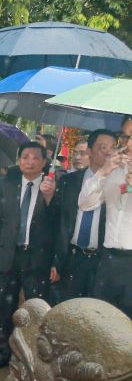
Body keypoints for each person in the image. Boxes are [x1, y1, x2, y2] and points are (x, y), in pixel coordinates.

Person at [0, 142, 57, 369]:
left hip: (37, 259)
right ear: (19, 160)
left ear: (44, 162)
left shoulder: (52, 187)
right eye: (25, 156)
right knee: (5, 308)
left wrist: (50, 197)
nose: (30, 161)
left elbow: (59, 226)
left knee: (36, 309)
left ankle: (32, 356)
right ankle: (2, 352)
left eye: (36, 157)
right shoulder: (7, 185)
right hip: (8, 256)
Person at [55, 130, 113, 301]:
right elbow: (58, 221)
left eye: (112, 148)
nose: (108, 153)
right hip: (72, 256)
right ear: (89, 151)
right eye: (103, 148)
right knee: (68, 310)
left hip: (102, 259)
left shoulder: (118, 183)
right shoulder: (69, 181)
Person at [78, 133, 131, 317]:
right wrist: (103, 172)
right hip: (109, 259)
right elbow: (85, 203)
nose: (129, 143)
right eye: (126, 137)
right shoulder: (113, 170)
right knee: (103, 323)